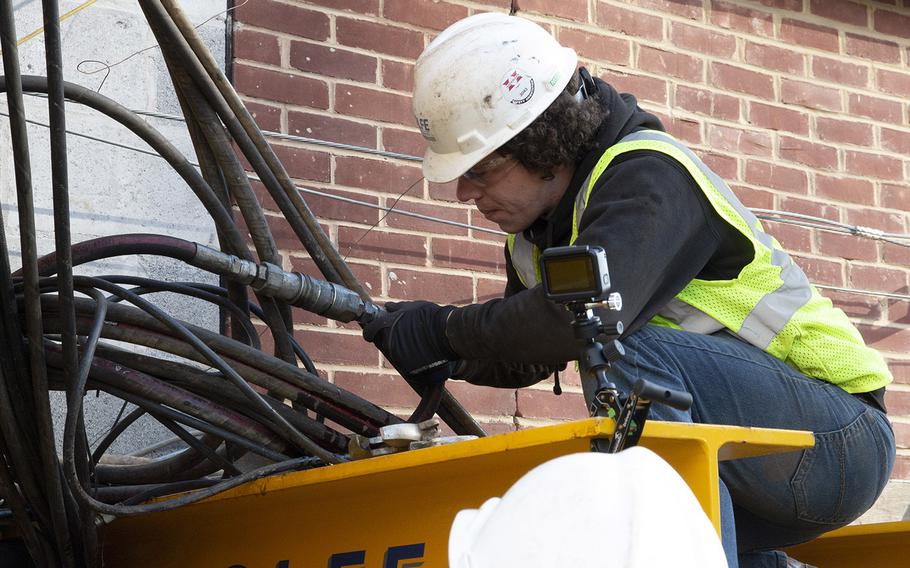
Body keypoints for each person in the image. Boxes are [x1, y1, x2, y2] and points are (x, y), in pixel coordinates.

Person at [362, 12, 895, 568]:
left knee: (613, 344)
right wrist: (431, 347)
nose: (464, 194)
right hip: (754, 464)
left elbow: (577, 322)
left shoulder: (649, 176)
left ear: (543, 142)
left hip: (838, 439)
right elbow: (522, 356)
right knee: (674, 490)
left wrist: (444, 329)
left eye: (482, 170)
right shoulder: (535, 238)